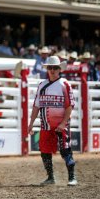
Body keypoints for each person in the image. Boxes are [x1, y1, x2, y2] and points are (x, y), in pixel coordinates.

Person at [28, 56, 77, 186]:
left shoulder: (65, 84)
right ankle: (50, 177)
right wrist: (31, 123)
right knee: (44, 150)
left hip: (61, 124)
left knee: (65, 149)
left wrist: (63, 123)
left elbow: (69, 106)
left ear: (59, 69)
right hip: (45, 124)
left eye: (55, 68)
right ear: (47, 69)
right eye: (50, 67)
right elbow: (36, 106)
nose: (52, 70)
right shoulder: (42, 85)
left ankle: (72, 177)